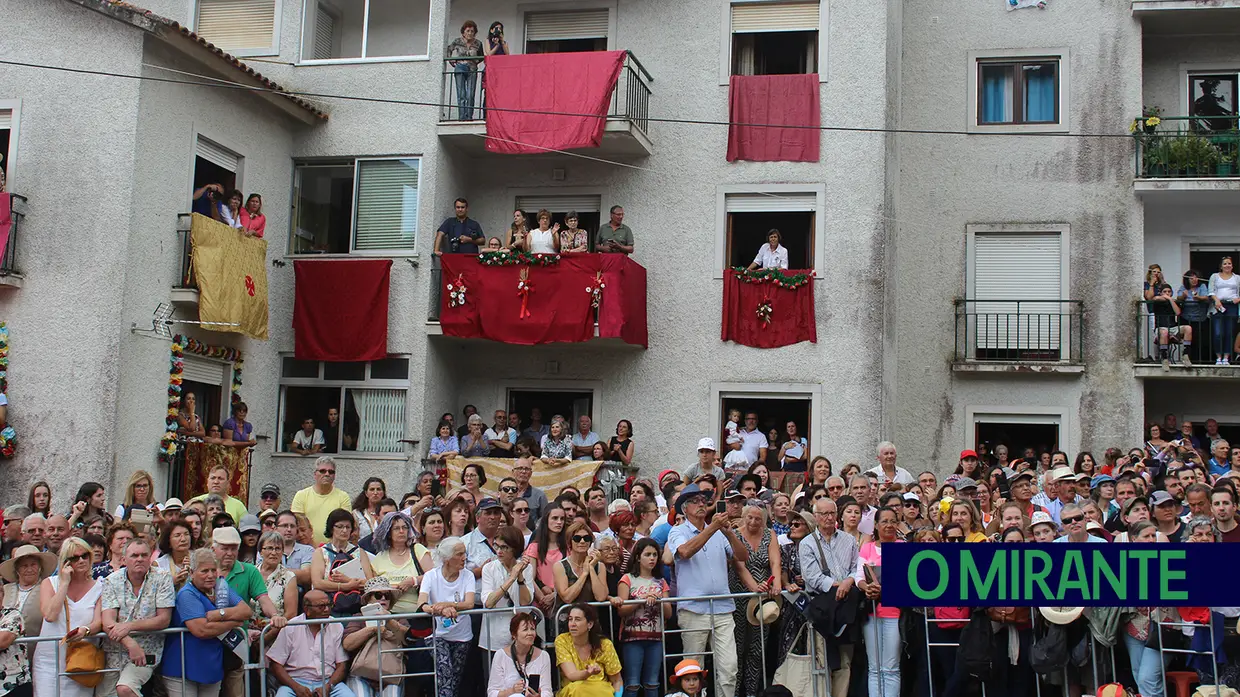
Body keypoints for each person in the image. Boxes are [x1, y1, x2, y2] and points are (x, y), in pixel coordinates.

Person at [667, 483, 747, 697]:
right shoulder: (677, 531)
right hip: (693, 610)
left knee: (729, 668)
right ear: (684, 508)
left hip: (722, 608)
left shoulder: (720, 532)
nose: (701, 504)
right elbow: (684, 552)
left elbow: (742, 556)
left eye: (704, 500)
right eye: (695, 501)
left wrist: (729, 533)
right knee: (692, 670)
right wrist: (713, 528)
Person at [162, 549, 251, 697]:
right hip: (183, 668)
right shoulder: (186, 594)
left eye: (212, 570)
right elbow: (201, 630)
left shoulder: (220, 586)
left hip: (211, 666)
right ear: (192, 572)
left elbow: (246, 611)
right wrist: (233, 622)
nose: (210, 575)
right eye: (204, 571)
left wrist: (219, 614)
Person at [97, 538, 174, 697]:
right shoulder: (112, 580)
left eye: (144, 555)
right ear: (124, 559)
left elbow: (163, 619)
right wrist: (130, 643)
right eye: (134, 555)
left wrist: (130, 626)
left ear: (150, 557)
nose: (139, 559)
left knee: (126, 688)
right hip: (113, 653)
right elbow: (108, 621)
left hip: (146, 653)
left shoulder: (163, 578)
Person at [801, 497, 860, 697]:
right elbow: (812, 577)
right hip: (822, 609)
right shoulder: (807, 543)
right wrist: (839, 585)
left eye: (831, 513)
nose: (828, 517)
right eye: (823, 514)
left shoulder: (849, 540)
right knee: (821, 660)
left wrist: (848, 582)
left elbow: (856, 569)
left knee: (845, 661)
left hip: (845, 608)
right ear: (815, 517)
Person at [34, 537, 102, 697]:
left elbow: (99, 621)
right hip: (48, 661)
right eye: (74, 558)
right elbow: (49, 615)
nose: (81, 560)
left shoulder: (100, 586)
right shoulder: (49, 583)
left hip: (80, 659)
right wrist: (64, 584)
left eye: (85, 555)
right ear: (65, 561)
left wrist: (85, 630)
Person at [266, 589, 355, 697]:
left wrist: (328, 686)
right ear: (306, 609)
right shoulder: (291, 626)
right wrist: (296, 687)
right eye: (321, 606)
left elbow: (342, 665)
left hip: (328, 682)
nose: (327, 609)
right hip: (295, 682)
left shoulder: (336, 625)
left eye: (329, 605)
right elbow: (276, 664)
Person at [416, 537, 475, 694]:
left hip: (462, 635)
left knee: (454, 679)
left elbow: (469, 603)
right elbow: (422, 604)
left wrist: (448, 605)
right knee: (446, 672)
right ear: (448, 558)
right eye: (459, 554)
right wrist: (440, 610)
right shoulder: (430, 576)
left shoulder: (468, 575)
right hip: (436, 634)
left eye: (465, 553)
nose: (464, 558)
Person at [855, 507, 901, 697]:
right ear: (876, 525)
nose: (889, 525)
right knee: (874, 668)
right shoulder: (867, 548)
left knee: (891, 667)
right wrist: (867, 588)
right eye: (884, 521)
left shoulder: (903, 547)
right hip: (872, 614)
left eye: (892, 521)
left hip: (894, 614)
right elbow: (859, 577)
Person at [616, 538, 670, 697]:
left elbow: (668, 614)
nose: (652, 558)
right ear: (638, 557)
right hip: (632, 638)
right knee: (632, 683)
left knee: (652, 683)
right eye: (647, 554)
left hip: (656, 638)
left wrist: (661, 599)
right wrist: (642, 599)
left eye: (655, 554)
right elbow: (622, 610)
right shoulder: (627, 579)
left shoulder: (661, 581)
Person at [341, 578, 408, 697]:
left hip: (391, 675)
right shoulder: (358, 618)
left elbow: (408, 639)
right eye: (378, 595)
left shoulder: (398, 618)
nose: (383, 599)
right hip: (360, 674)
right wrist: (372, 628)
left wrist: (390, 622)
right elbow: (347, 645)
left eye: (387, 595)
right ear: (368, 599)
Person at [481, 526, 534, 652]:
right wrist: (511, 578)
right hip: (493, 636)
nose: (499, 551)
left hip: (518, 636)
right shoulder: (488, 568)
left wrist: (520, 576)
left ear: (515, 549)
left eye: (504, 547)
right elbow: (488, 602)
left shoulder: (527, 568)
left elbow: (526, 602)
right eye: (496, 546)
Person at [554, 603, 623, 697]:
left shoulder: (605, 644)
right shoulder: (562, 640)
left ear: (590, 624)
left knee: (601, 690)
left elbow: (617, 680)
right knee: (577, 688)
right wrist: (588, 673)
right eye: (570, 619)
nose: (572, 624)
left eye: (577, 619)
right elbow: (571, 675)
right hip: (573, 691)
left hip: (600, 690)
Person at [311, 509, 371, 603]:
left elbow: (369, 583)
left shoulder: (359, 552)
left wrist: (347, 580)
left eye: (348, 527)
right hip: (328, 603)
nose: (344, 530)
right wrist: (345, 586)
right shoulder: (321, 552)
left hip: (355, 602)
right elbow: (317, 583)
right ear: (331, 528)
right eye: (340, 527)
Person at [486, 612, 553, 697]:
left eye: (532, 629)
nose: (530, 633)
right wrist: (512, 691)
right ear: (514, 634)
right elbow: (492, 693)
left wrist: (539, 696)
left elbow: (548, 692)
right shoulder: (500, 655)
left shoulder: (544, 656)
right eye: (525, 629)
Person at [369, 512, 422, 616]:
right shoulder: (380, 557)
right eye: (396, 528)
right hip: (387, 614)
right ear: (388, 532)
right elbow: (373, 589)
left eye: (405, 527)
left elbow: (434, 576)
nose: (402, 531)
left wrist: (413, 581)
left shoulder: (418, 549)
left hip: (415, 614)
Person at [291, 457, 353, 545]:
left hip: (334, 549)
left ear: (334, 476)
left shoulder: (343, 497)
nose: (327, 474)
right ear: (315, 474)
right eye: (322, 471)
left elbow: (344, 525)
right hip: (306, 548)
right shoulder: (301, 495)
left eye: (331, 472)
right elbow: (298, 524)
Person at [1, 545, 55, 641]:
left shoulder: (48, 589)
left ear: (40, 567)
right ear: (17, 569)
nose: (29, 570)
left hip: (36, 646)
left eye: (33, 565)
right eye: (24, 566)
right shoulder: (5, 589)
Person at [525, 505, 566, 617]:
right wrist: (542, 599)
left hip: (562, 601)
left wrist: (554, 596)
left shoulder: (569, 547)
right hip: (540, 603)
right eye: (555, 518)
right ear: (546, 520)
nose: (559, 522)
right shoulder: (534, 547)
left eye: (562, 519)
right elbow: (530, 577)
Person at [255, 531, 297, 628]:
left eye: (278, 549)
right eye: (269, 548)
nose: (274, 553)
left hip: (275, 632)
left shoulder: (288, 577)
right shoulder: (251, 573)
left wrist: (267, 637)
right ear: (260, 551)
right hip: (248, 634)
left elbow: (290, 614)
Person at [1151, 284, 1194, 368]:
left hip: (1173, 327)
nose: (1167, 293)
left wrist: (1170, 300)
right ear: (1161, 293)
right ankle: (1164, 358)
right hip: (1161, 328)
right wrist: (1167, 298)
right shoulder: (1157, 300)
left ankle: (1185, 355)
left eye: (1169, 291)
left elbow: (1177, 312)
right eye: (1165, 292)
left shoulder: (1172, 301)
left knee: (1188, 328)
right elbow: (1155, 298)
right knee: (1164, 332)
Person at [446, 23, 483, 121]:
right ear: (463, 32)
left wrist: (475, 62)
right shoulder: (457, 41)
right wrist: (451, 60)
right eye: (468, 31)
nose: (470, 33)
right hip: (460, 67)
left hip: (472, 69)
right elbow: (449, 49)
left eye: (472, 31)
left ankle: (469, 117)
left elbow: (481, 56)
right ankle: (462, 117)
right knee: (461, 94)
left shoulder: (478, 43)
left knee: (470, 94)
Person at [1211, 256, 1240, 365]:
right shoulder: (1215, 276)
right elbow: (1211, 291)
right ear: (1221, 266)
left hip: (1232, 306)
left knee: (1229, 333)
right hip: (1218, 306)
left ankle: (1226, 357)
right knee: (1218, 333)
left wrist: (1238, 299)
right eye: (1225, 264)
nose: (1227, 265)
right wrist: (1216, 300)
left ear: (1232, 266)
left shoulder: (1237, 278)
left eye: (1229, 263)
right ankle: (1218, 357)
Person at [275, 511, 315, 587]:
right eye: (285, 526)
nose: (289, 529)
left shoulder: (307, 550)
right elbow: (261, 575)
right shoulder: (266, 548)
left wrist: (275, 572)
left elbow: (306, 576)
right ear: (276, 528)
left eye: (292, 526)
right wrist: (297, 573)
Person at [352, 478, 388, 543]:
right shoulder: (357, 514)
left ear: (383, 493)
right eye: (372, 489)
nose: (375, 493)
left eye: (378, 489)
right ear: (366, 493)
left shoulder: (389, 512)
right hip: (363, 550)